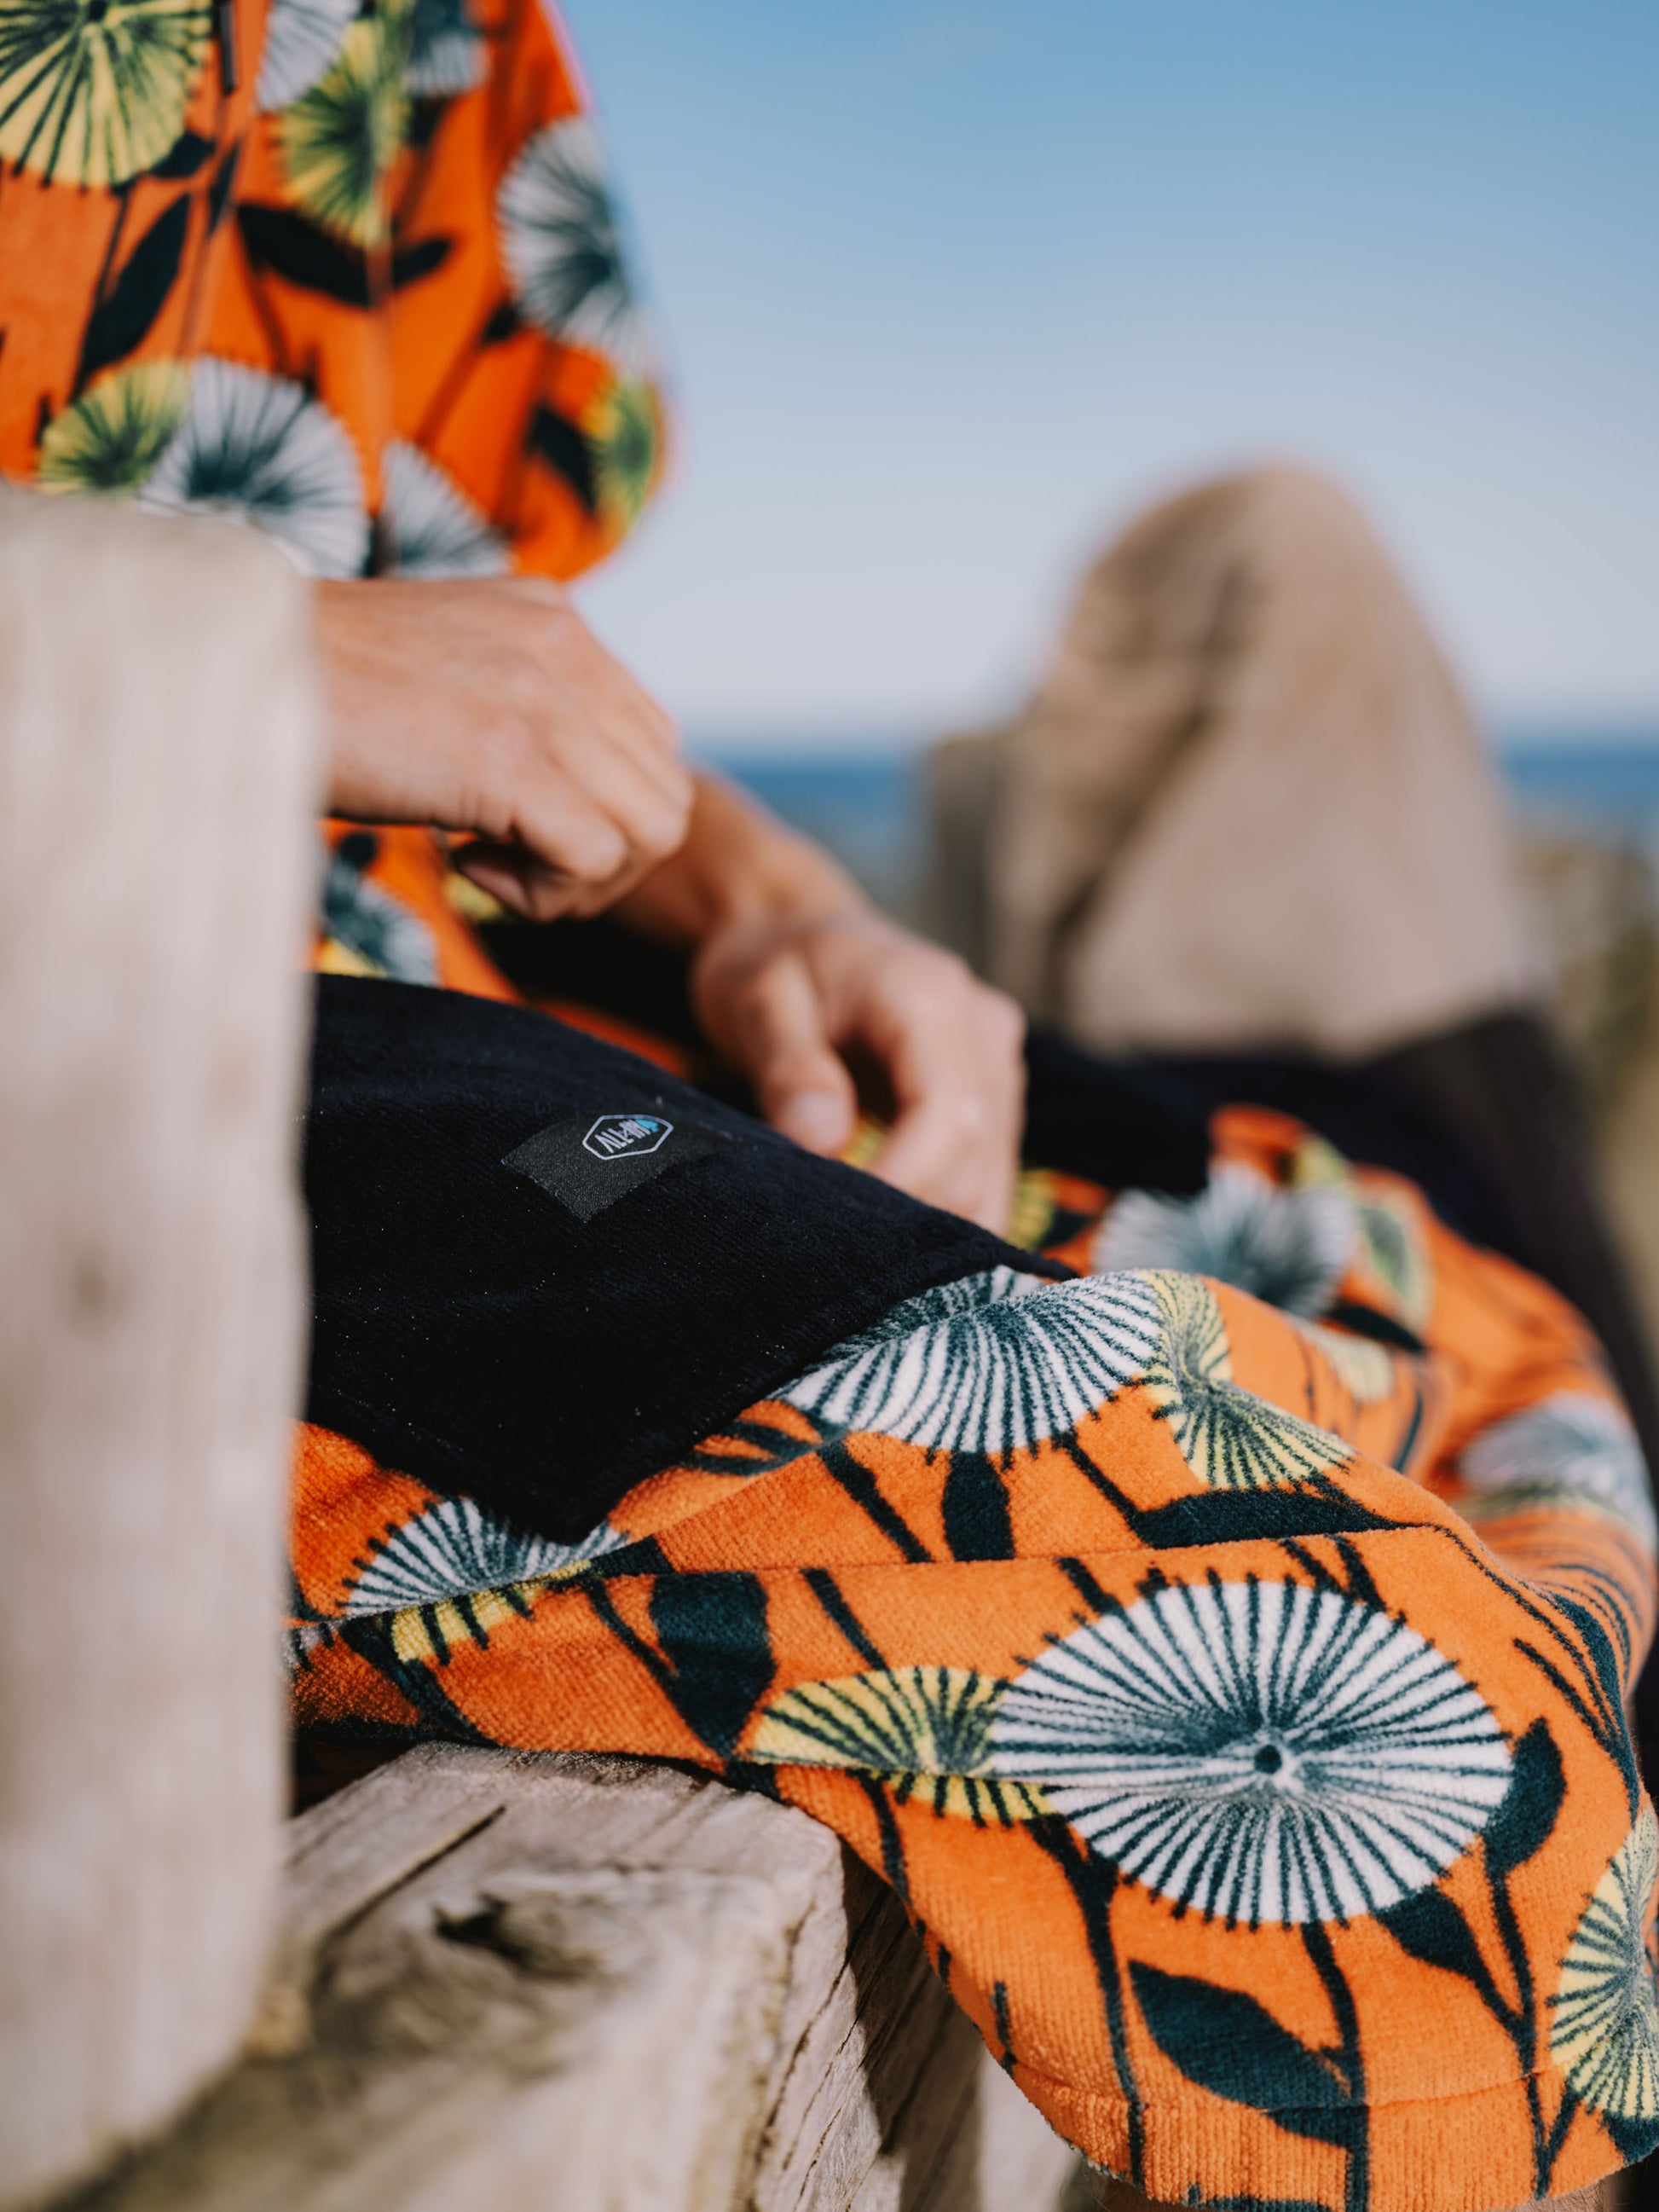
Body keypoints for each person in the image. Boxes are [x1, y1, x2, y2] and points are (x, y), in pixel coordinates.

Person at [4, 7, 1656, 2208]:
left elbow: (449, 668)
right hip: (95, 1029)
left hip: (428, 986)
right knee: (1422, 1771)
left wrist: (766, 904)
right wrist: (238, 653)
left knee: (1459, 1323)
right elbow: (323, 653)